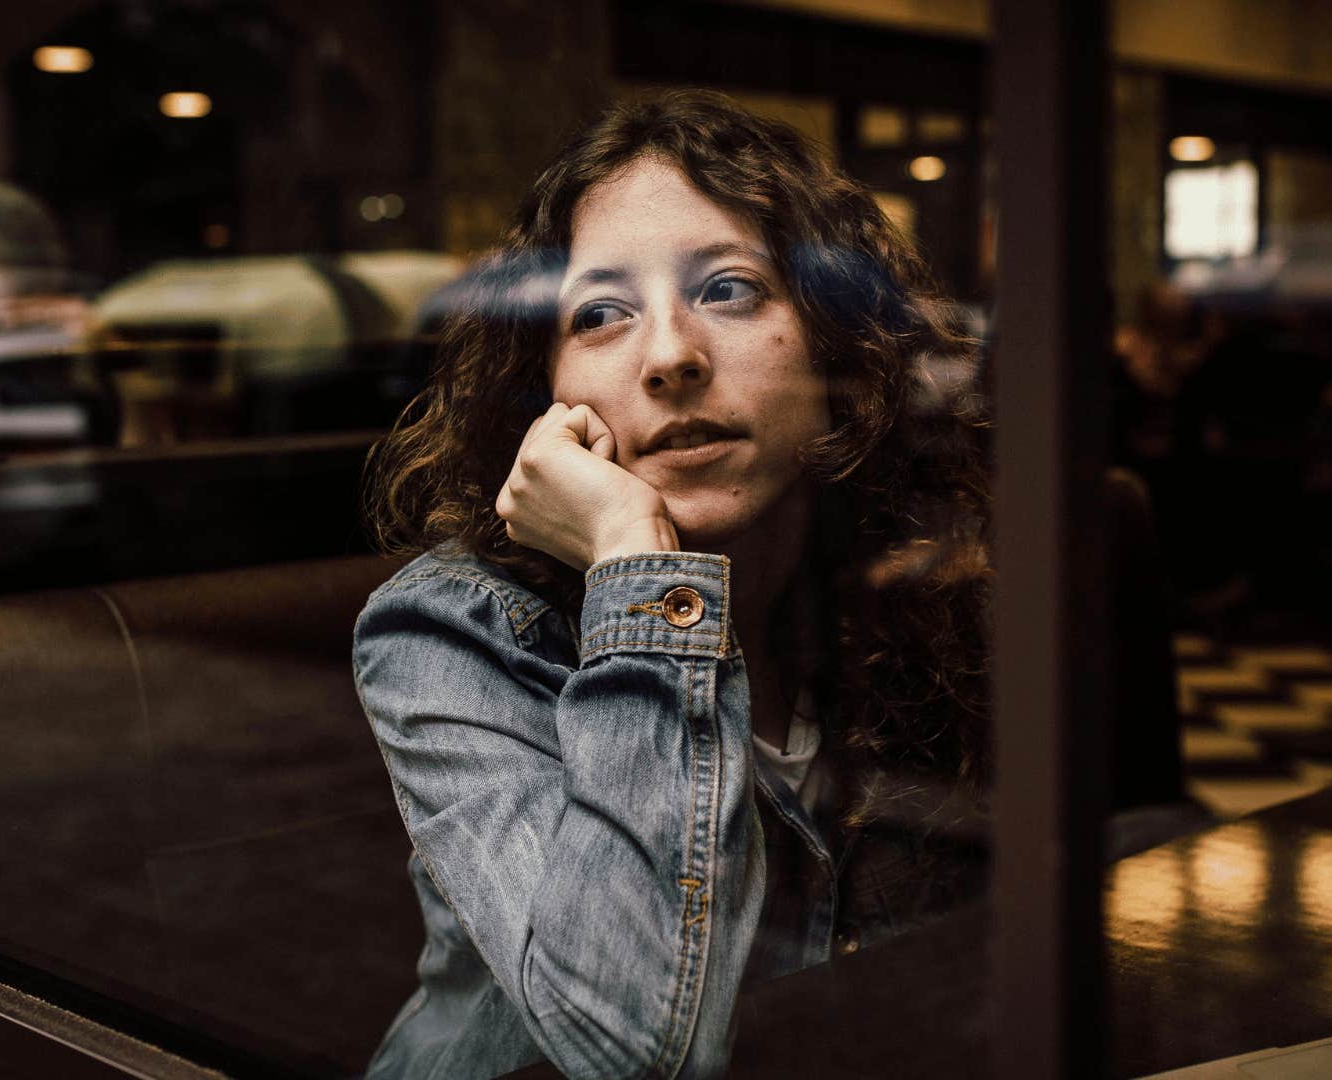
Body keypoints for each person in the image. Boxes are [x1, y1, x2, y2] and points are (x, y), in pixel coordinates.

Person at [354, 91, 991, 1079]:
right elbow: (631, 1047)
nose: (669, 357)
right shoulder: (448, 630)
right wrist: (634, 562)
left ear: (839, 348)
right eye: (600, 313)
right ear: (547, 384)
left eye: (730, 290)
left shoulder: (890, 589)